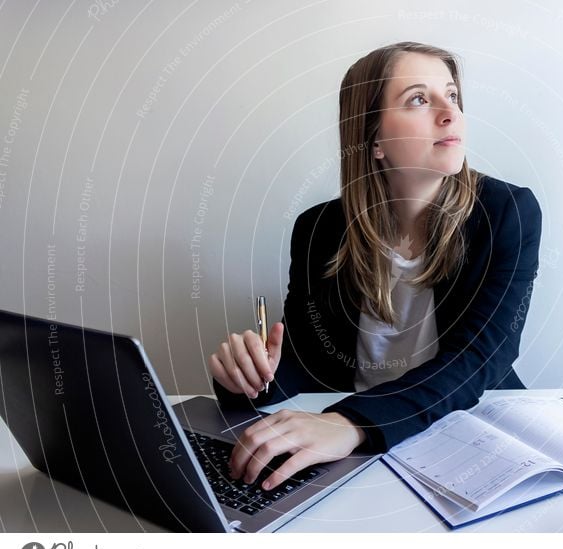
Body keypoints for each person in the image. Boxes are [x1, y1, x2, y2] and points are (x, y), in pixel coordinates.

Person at [208, 41, 542, 492]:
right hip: (352, 444)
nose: (450, 114)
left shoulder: (508, 212)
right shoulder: (318, 229)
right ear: (374, 139)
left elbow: (480, 357)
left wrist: (351, 423)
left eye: (453, 96)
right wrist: (251, 380)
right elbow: (307, 365)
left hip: (470, 432)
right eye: (420, 99)